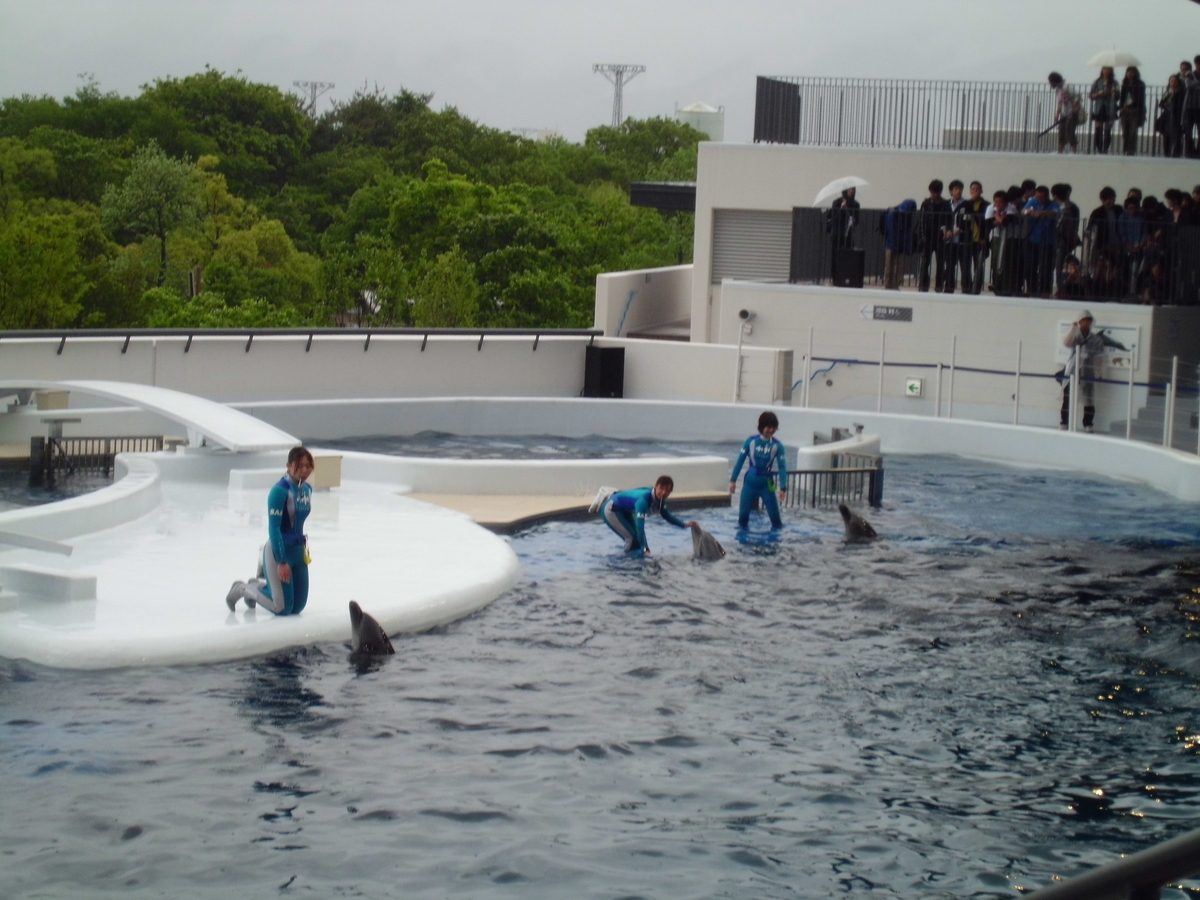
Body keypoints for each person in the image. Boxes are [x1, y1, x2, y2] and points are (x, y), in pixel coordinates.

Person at [226, 446, 314, 615]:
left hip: (298, 550)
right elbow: (274, 528)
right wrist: (281, 561)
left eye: (308, 466)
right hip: (278, 550)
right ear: (288, 466)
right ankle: (243, 588)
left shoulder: (307, 489)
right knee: (282, 608)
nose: (305, 470)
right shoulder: (279, 490)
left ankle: (258, 585)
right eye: (299, 465)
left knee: (297, 607)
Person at [600, 476, 695, 555]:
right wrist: (645, 549)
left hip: (624, 510)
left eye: (667, 491)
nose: (663, 493)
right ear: (656, 487)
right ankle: (624, 564)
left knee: (638, 541)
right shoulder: (644, 501)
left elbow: (666, 515)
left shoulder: (660, 500)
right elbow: (640, 527)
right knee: (632, 539)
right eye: (661, 489)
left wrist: (684, 525)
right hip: (611, 509)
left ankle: (632, 559)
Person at [729, 411, 788, 530]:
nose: (771, 430)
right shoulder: (750, 441)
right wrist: (733, 480)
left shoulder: (777, 445)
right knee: (743, 517)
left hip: (767, 483)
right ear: (761, 426)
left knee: (776, 520)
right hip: (750, 482)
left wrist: (783, 487)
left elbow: (782, 467)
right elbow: (740, 461)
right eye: (768, 427)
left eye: (774, 427)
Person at [1060, 312, 1103, 432]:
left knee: (1089, 397)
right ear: (1080, 321)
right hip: (1073, 369)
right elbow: (1067, 343)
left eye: (1088, 321)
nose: (1086, 323)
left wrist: (1099, 372)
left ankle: (1088, 423)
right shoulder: (1076, 335)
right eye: (1083, 320)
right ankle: (1064, 421)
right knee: (1067, 396)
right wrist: (1073, 329)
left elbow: (1100, 356)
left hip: (1088, 370)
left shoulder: (1095, 338)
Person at [1022, 185, 1059, 296]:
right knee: (1030, 266)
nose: (1039, 199)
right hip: (1033, 239)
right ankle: (1031, 290)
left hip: (1048, 241)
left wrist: (1042, 213)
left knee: (1046, 268)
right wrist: (1029, 212)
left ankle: (1045, 291)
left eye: (1041, 197)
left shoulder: (1053, 204)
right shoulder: (1033, 202)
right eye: (1037, 196)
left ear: (1046, 196)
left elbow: (1056, 213)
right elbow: (1023, 211)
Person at [917, 180, 951, 292]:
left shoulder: (946, 204)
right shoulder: (926, 204)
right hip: (927, 236)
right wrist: (922, 236)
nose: (934, 195)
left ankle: (939, 286)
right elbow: (921, 220)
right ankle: (923, 286)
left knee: (940, 263)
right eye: (932, 192)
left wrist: (947, 232)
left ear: (940, 192)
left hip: (941, 237)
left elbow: (949, 220)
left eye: (936, 192)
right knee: (925, 263)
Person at [986, 188, 1020, 295]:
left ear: (1006, 202)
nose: (997, 204)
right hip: (997, 237)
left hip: (1010, 237)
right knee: (996, 260)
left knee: (1008, 261)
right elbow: (988, 224)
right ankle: (997, 284)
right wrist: (999, 217)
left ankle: (1008, 286)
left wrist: (996, 216)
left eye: (1000, 202)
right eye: (996, 201)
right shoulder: (991, 207)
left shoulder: (1012, 207)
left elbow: (1006, 221)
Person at [1052, 183, 1081, 292]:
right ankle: (1062, 288)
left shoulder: (1065, 208)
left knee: (1060, 267)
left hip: (1062, 241)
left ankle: (1062, 289)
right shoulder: (1073, 207)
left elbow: (1059, 226)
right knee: (1061, 266)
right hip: (1067, 240)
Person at [882, 199, 917, 290]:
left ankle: (892, 284)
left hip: (893, 243)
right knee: (893, 265)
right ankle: (891, 284)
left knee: (894, 265)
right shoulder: (894, 214)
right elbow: (893, 229)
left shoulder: (898, 213)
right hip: (894, 243)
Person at [1086, 187, 1121, 273]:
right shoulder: (1097, 213)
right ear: (1103, 200)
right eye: (1109, 199)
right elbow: (1090, 229)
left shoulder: (1119, 210)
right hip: (1102, 246)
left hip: (1117, 244)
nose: (1112, 201)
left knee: (1116, 268)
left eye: (1113, 198)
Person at [964, 181, 989, 294]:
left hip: (980, 239)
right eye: (973, 189)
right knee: (965, 264)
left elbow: (987, 223)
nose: (975, 191)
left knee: (978, 265)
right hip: (967, 238)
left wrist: (984, 237)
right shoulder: (965, 204)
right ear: (970, 191)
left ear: (981, 191)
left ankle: (977, 288)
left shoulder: (986, 205)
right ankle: (967, 287)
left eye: (977, 189)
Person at [1089, 66, 1119, 154]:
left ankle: (1105, 149)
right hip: (1099, 107)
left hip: (1110, 107)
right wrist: (1099, 93)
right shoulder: (1097, 82)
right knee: (1098, 129)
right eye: (1105, 69)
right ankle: (1099, 149)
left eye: (1109, 69)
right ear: (1102, 70)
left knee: (1107, 130)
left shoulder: (1114, 82)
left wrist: (1113, 93)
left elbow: (1117, 96)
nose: (1106, 71)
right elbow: (1091, 95)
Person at [1049, 72, 1081, 153]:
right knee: (1061, 132)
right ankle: (1060, 151)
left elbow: (1078, 95)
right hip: (1064, 113)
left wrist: (1074, 107)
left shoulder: (1067, 87)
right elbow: (1060, 103)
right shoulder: (1058, 90)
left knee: (1070, 132)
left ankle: (1074, 151)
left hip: (1072, 113)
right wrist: (1057, 114)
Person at [1118, 67, 1146, 157]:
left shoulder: (1140, 84)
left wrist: (1128, 106)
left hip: (1135, 111)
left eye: (1132, 72)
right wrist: (1121, 107)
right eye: (1128, 72)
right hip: (1124, 112)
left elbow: (1139, 99)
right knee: (1125, 132)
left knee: (1132, 132)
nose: (1130, 74)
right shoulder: (1124, 84)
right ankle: (1125, 150)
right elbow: (1122, 98)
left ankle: (1131, 151)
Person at [1156, 74, 1185, 158]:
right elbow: (1161, 104)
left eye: (1175, 81)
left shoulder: (1181, 92)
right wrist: (1167, 103)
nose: (1173, 83)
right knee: (1166, 135)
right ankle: (1166, 153)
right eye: (1172, 81)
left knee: (1176, 135)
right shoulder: (1167, 92)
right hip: (1167, 116)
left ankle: (1176, 153)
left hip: (1176, 116)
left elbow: (1180, 104)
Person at [1183, 59, 1200, 158]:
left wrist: (1196, 84)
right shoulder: (1190, 73)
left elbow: (1192, 85)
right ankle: (1190, 152)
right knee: (1188, 131)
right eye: (1197, 64)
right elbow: (1188, 84)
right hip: (1190, 107)